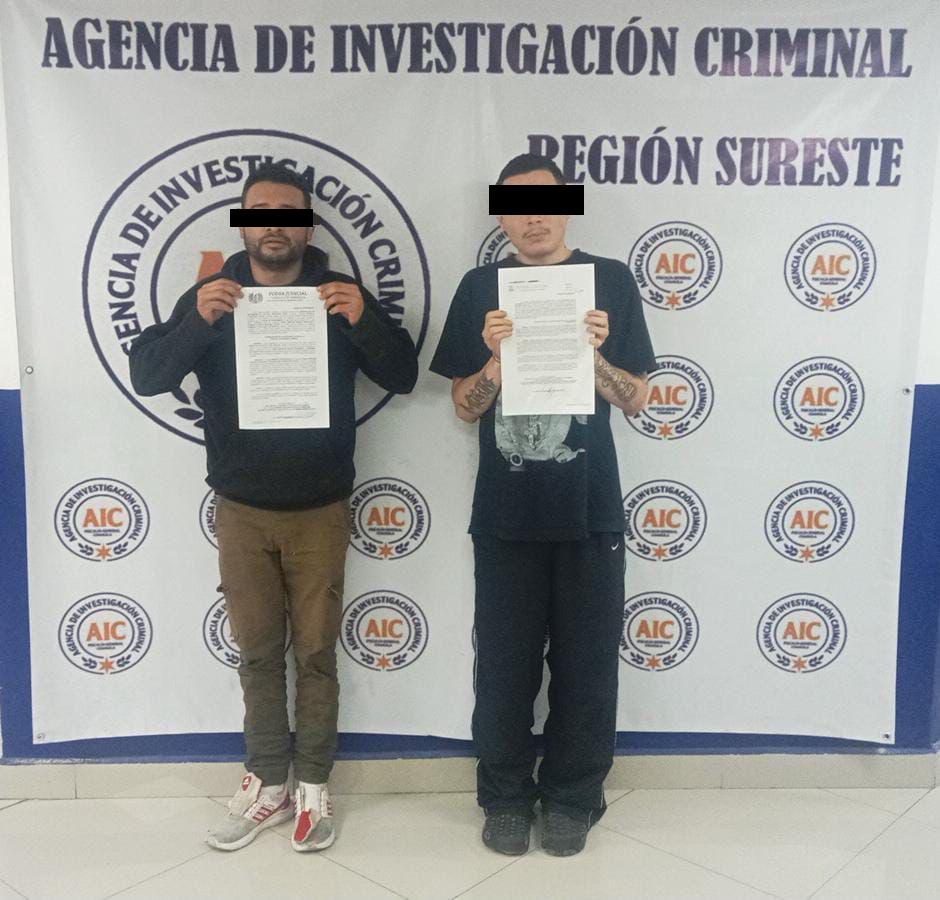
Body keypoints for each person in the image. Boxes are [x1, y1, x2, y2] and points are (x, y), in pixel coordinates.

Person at [129, 162, 418, 852]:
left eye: (288, 214)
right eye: (260, 213)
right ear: (243, 224)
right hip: (241, 508)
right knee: (258, 654)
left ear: (308, 226)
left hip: (320, 509)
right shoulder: (212, 295)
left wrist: (362, 323)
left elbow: (404, 374)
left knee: (315, 653)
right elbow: (148, 374)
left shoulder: (340, 294)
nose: (274, 226)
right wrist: (196, 325)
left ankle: (313, 785)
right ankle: (267, 782)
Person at [430, 153, 656, 857]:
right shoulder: (481, 288)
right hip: (506, 512)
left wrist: (595, 358)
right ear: (499, 216)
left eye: (546, 203)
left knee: (588, 669)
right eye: (516, 206)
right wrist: (496, 363)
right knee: (504, 668)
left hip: (591, 510)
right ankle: (503, 797)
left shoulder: (609, 281)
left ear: (568, 208)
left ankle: (572, 797)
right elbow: (463, 406)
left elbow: (638, 398)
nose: (533, 218)